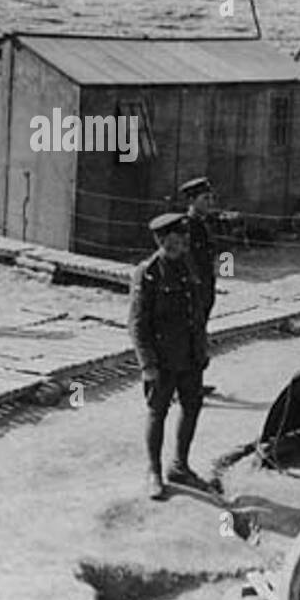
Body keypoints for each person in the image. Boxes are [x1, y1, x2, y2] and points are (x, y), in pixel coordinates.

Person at [128, 213, 212, 500]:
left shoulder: (187, 264)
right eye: (175, 240)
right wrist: (147, 364)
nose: (181, 245)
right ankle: (154, 471)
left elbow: (197, 311)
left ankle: (180, 466)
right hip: (162, 361)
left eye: (183, 239)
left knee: (192, 407)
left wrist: (202, 348)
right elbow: (137, 324)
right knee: (157, 413)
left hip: (190, 356)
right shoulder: (148, 273)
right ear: (162, 241)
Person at [179, 176, 219, 395]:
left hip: (205, 289)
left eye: (210, 198)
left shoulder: (203, 224)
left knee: (199, 336)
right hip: (194, 291)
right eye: (205, 198)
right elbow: (187, 261)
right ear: (192, 201)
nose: (209, 202)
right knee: (190, 338)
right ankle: (185, 386)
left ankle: (195, 383)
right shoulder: (187, 227)